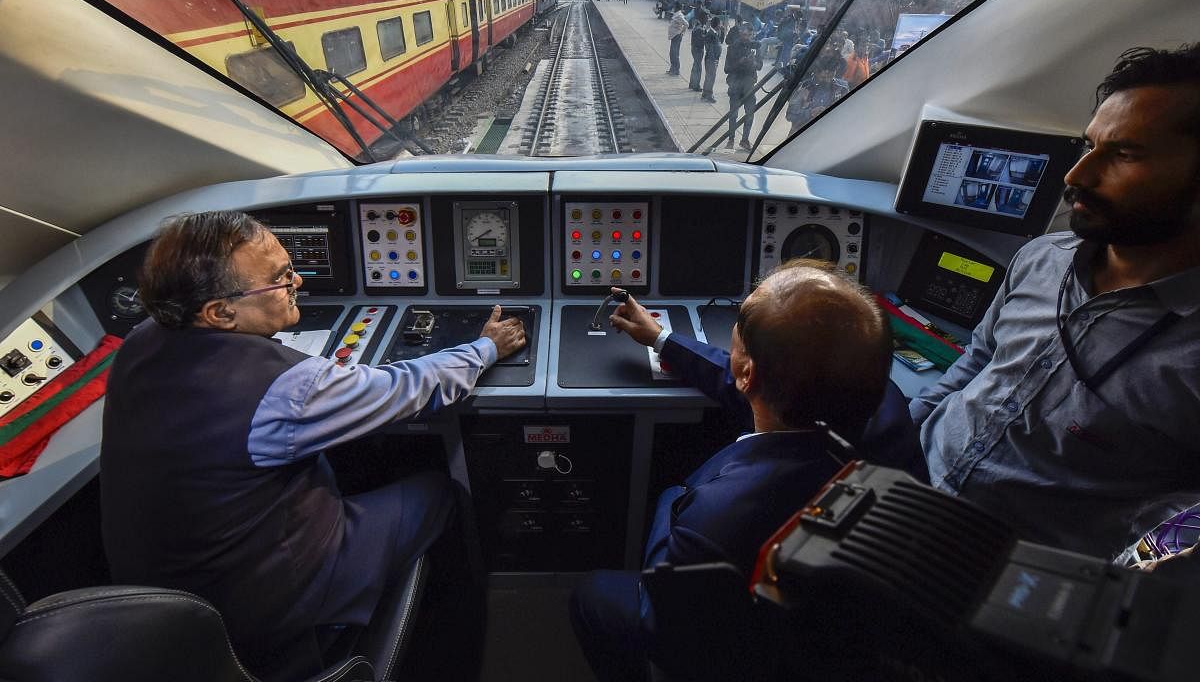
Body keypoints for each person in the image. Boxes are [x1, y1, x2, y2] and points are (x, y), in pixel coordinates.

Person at [101, 210, 526, 680]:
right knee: (440, 493)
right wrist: (484, 348)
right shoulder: (284, 390)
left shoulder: (139, 342)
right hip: (266, 607)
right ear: (220, 312)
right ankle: (445, 653)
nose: (298, 281)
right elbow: (409, 390)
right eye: (281, 279)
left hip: (173, 602)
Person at [911, 44, 1200, 559]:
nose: (1077, 176)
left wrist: (1109, 579)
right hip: (909, 486)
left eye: (1124, 154)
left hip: (1012, 571)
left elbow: (1183, 526)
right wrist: (909, 430)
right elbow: (979, 362)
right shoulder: (1042, 257)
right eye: (1089, 145)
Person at [570, 261, 892, 682]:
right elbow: (759, 381)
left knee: (592, 595)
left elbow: (661, 609)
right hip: (839, 628)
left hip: (745, 650)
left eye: (736, 338)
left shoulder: (708, 525)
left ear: (748, 372)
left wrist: (670, 497)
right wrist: (662, 339)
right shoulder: (884, 409)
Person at [723, 22, 760, 150]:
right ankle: (731, 139)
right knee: (733, 115)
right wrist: (740, 62)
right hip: (736, 85)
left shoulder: (755, 47)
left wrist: (753, 61)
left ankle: (745, 140)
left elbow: (759, 65)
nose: (747, 38)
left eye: (750, 35)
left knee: (750, 114)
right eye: (745, 35)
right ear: (740, 34)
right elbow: (727, 69)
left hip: (749, 86)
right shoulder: (732, 48)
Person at [700, 14, 723, 103]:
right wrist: (714, 60)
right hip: (711, 59)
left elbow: (720, 41)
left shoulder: (714, 33)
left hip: (712, 59)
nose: (721, 25)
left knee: (709, 77)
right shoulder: (711, 34)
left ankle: (705, 93)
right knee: (711, 77)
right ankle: (709, 94)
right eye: (720, 24)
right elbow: (710, 49)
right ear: (717, 25)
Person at [688, 9, 709, 91]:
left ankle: (692, 83)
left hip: (696, 49)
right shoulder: (699, 28)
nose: (707, 19)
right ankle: (696, 85)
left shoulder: (699, 26)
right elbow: (699, 39)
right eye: (706, 18)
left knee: (695, 66)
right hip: (697, 49)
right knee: (698, 68)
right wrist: (706, 36)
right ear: (703, 18)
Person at [666, 3, 687, 76]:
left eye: (674, 6)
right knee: (672, 53)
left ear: (676, 7)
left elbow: (686, 24)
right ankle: (672, 69)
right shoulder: (677, 14)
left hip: (676, 36)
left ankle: (676, 70)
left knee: (675, 53)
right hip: (674, 36)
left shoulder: (679, 15)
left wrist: (682, 32)